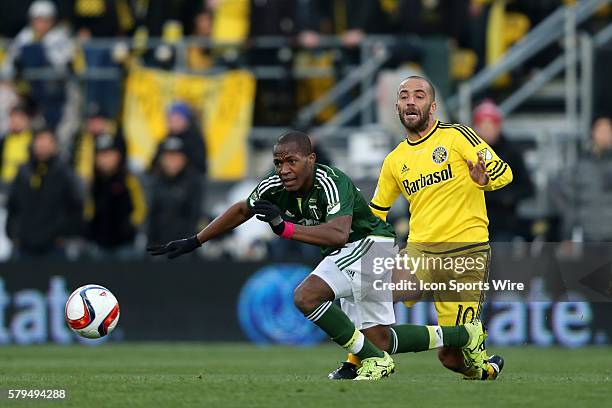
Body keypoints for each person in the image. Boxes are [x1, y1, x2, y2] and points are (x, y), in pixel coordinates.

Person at [148, 130, 486, 380]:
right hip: (345, 250)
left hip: (370, 243)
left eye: (291, 161)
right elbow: (241, 210)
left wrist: (285, 229)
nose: (284, 169)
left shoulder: (330, 180)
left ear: (311, 160)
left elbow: (339, 232)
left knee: (306, 294)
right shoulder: (275, 185)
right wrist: (196, 240)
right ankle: (463, 334)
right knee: (380, 338)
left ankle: (370, 359)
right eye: (278, 162)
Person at [364, 76, 513, 380]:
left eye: (418, 96)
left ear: (432, 107)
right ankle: (362, 359)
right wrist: (353, 242)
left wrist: (484, 181)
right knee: (376, 294)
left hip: (467, 252)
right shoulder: (395, 160)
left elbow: (504, 172)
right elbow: (376, 212)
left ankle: (483, 368)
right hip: (421, 250)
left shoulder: (458, 137)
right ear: (397, 107)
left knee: (451, 358)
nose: (410, 101)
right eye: (404, 96)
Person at [6, 128, 83, 259]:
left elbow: (75, 206)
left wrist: (64, 235)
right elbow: (13, 206)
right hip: (24, 245)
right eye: (39, 142)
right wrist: (14, 234)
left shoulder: (64, 174)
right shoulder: (23, 172)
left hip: (54, 246)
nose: (42, 147)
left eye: (47, 143)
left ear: (55, 146)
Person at [472, 99, 534, 241]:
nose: (487, 129)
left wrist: (507, 197)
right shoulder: (466, 151)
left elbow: (527, 187)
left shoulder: (512, 152)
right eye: (483, 124)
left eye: (491, 124)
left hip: (504, 223)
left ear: (498, 126)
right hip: (473, 223)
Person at [85, 134, 146, 259]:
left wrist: (130, 225)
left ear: (118, 156)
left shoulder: (128, 179)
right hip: (99, 243)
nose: (105, 159)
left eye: (109, 154)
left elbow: (141, 208)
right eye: (101, 155)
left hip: (125, 243)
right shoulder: (93, 182)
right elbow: (88, 210)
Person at [148, 137, 203, 249]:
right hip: (159, 247)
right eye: (168, 157)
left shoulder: (193, 183)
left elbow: (195, 217)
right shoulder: (155, 183)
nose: (172, 161)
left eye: (176, 157)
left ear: (184, 159)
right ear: (161, 159)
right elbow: (150, 218)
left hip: (185, 248)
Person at [0, 106, 33, 187]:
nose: (15, 122)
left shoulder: (33, 140)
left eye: (19, 118)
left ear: (27, 120)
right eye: (12, 118)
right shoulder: (4, 139)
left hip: (24, 184)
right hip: (4, 182)